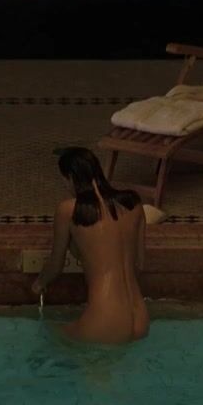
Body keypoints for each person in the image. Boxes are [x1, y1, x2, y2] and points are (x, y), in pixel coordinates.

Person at [32, 147, 149, 344]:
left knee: (49, 336)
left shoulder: (68, 210)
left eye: (64, 181)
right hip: (140, 318)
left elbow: (55, 265)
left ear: (70, 177)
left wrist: (39, 283)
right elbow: (140, 264)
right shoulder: (134, 203)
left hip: (106, 320)